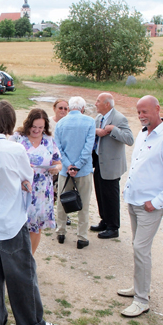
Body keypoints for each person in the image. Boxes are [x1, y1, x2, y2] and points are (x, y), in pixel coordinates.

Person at [0, 100, 61, 325]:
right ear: (9, 123)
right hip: (10, 220)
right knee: (22, 272)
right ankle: (30, 323)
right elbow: (27, 179)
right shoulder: (15, 149)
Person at [118, 96, 163, 318]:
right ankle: (139, 288)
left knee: (141, 249)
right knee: (138, 247)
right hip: (134, 200)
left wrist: (156, 202)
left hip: (149, 206)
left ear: (158, 109)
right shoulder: (144, 133)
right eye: (138, 112)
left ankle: (141, 299)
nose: (141, 116)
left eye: (145, 111)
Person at [11, 108, 62, 254]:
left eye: (40, 127)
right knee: (19, 224)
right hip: (21, 187)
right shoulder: (18, 138)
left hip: (41, 189)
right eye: (34, 127)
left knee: (36, 226)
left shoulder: (48, 140)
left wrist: (56, 168)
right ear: (28, 124)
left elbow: (58, 161)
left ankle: (29, 258)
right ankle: (16, 257)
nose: (37, 130)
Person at [90, 93, 134, 239]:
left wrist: (113, 129)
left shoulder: (119, 118)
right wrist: (97, 131)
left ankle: (113, 227)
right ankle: (104, 220)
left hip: (111, 164)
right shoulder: (98, 118)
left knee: (111, 196)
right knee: (100, 194)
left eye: (98, 101)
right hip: (99, 163)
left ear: (107, 104)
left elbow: (129, 139)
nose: (95, 103)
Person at [54, 96, 95, 249]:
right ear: (83, 108)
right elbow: (88, 147)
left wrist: (68, 165)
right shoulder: (90, 122)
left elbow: (58, 148)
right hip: (83, 170)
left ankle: (61, 232)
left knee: (62, 201)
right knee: (83, 203)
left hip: (65, 170)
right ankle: (82, 237)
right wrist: (77, 166)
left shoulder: (61, 123)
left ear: (70, 108)